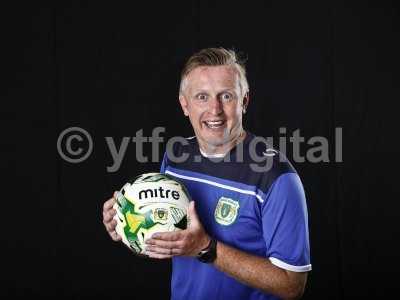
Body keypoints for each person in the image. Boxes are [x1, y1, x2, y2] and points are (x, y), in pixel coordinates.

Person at [102, 48, 311, 300]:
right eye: (202, 96)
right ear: (184, 104)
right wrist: (128, 224)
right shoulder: (176, 156)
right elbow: (170, 239)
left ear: (244, 101)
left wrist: (206, 248)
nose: (215, 110)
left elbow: (292, 285)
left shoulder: (276, 177)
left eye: (226, 96)